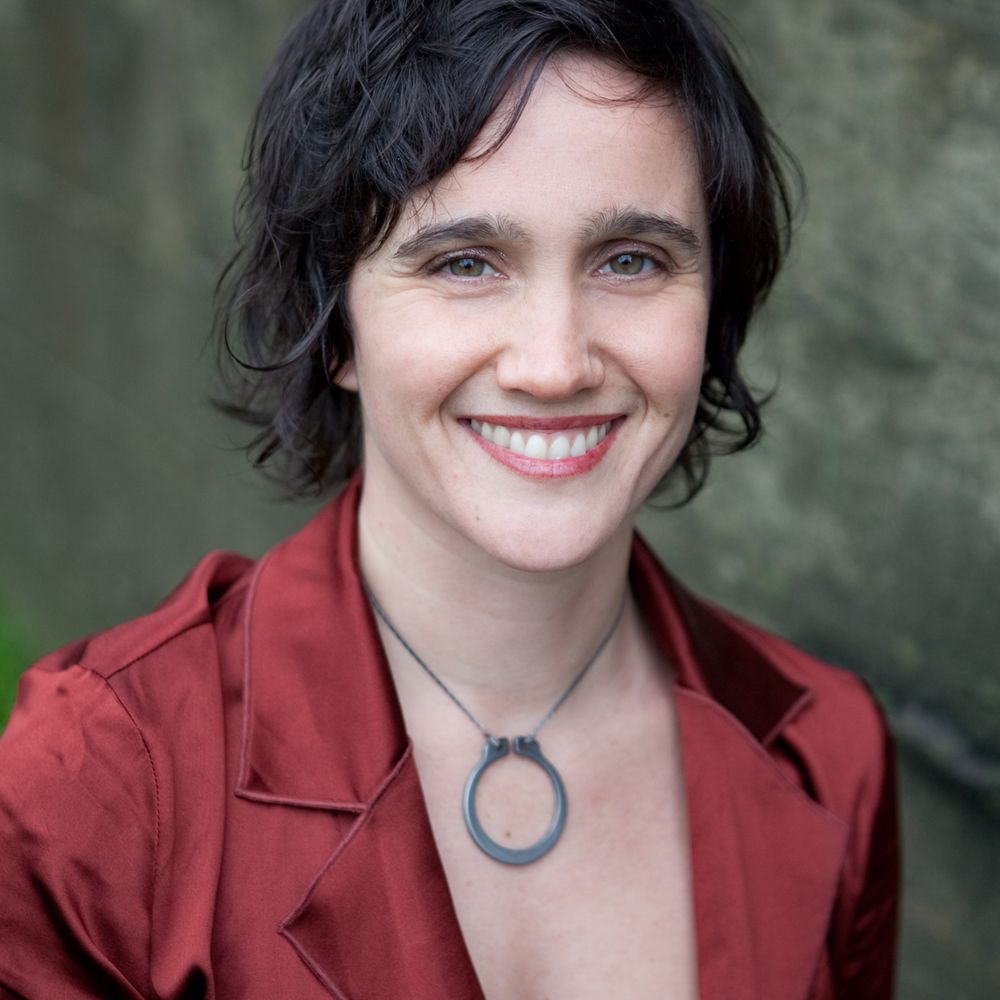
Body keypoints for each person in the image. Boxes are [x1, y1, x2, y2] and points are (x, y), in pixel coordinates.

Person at [0, 0, 899, 997]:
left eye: (630, 260)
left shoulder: (829, 754)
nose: (554, 365)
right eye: (465, 263)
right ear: (336, 325)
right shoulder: (103, 782)